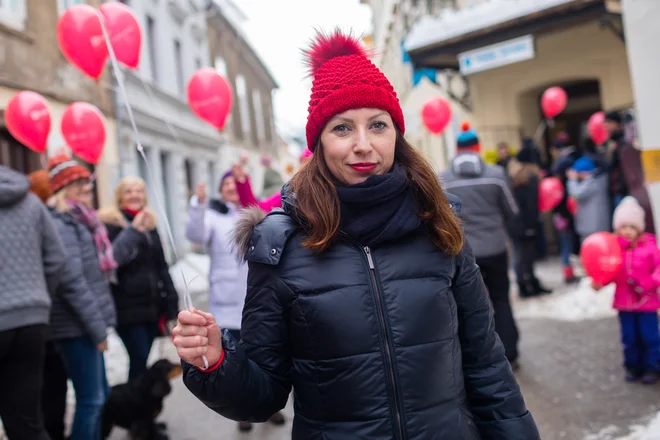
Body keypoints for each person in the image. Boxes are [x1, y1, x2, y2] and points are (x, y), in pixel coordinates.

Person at [173, 31, 539, 439]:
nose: (363, 145)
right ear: (319, 142)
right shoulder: (280, 246)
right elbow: (263, 395)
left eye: (377, 125)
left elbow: (486, 364)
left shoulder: (438, 224)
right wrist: (215, 362)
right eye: (343, 128)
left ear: (395, 136)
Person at [45, 154, 141, 440]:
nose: (87, 188)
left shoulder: (82, 221)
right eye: (78, 184)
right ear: (63, 189)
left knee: (98, 397)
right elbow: (71, 281)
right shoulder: (62, 224)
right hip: (75, 326)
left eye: (86, 182)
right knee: (91, 400)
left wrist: (133, 233)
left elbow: (103, 264)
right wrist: (98, 329)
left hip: (85, 324)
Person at [185, 171, 286, 432]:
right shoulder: (214, 217)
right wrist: (198, 204)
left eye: (235, 183)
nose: (231, 187)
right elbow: (195, 233)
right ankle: (245, 408)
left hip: (261, 294)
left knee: (267, 352)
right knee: (237, 354)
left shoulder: (260, 211)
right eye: (226, 184)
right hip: (227, 298)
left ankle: (272, 405)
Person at [441, 121, 523, 366]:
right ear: (478, 147)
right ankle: (510, 354)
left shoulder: (443, 179)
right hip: (496, 248)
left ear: (456, 148)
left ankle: (478, 358)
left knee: (469, 305)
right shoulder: (496, 175)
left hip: (464, 253)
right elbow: (512, 210)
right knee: (501, 300)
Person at [0, 165, 66, 440]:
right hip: (32, 322)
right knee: (26, 420)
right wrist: (37, 297)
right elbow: (57, 259)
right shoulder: (29, 201)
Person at [98, 176, 179, 381]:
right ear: (120, 197)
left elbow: (161, 266)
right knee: (139, 358)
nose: (135, 195)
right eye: (129, 191)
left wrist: (171, 301)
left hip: (152, 307)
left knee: (142, 360)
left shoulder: (150, 225)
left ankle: (140, 406)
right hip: (126, 307)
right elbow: (114, 260)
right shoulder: (111, 225)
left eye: (139, 191)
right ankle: (135, 407)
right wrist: (134, 230)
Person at [593, 197, 660, 384]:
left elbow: (658, 270)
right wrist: (600, 282)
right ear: (617, 228)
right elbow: (608, 271)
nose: (628, 231)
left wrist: (649, 283)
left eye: (632, 227)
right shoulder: (614, 251)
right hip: (624, 303)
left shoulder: (650, 247)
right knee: (629, 337)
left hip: (647, 302)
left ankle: (653, 366)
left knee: (649, 336)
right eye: (624, 227)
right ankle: (633, 366)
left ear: (639, 229)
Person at [507, 148, 551, 297]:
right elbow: (531, 204)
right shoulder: (531, 178)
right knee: (527, 256)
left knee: (521, 255)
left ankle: (524, 284)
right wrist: (532, 226)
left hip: (514, 224)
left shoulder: (512, 177)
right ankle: (529, 284)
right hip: (527, 223)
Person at [604, 111, 654, 232]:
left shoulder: (626, 143)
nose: (606, 127)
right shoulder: (615, 143)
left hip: (627, 191)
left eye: (608, 123)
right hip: (622, 190)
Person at [234, 147, 313, 213]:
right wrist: (243, 183)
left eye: (310, 163)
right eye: (302, 163)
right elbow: (256, 210)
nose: (305, 168)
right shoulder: (291, 194)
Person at [549, 133, 581, 283]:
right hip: (564, 215)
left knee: (565, 242)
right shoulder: (563, 185)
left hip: (559, 214)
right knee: (567, 242)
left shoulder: (556, 174)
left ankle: (568, 271)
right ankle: (568, 272)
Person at [567, 157, 611, 243]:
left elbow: (576, 194)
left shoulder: (591, 182)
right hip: (595, 224)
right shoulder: (599, 179)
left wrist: (572, 179)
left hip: (591, 226)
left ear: (583, 172)